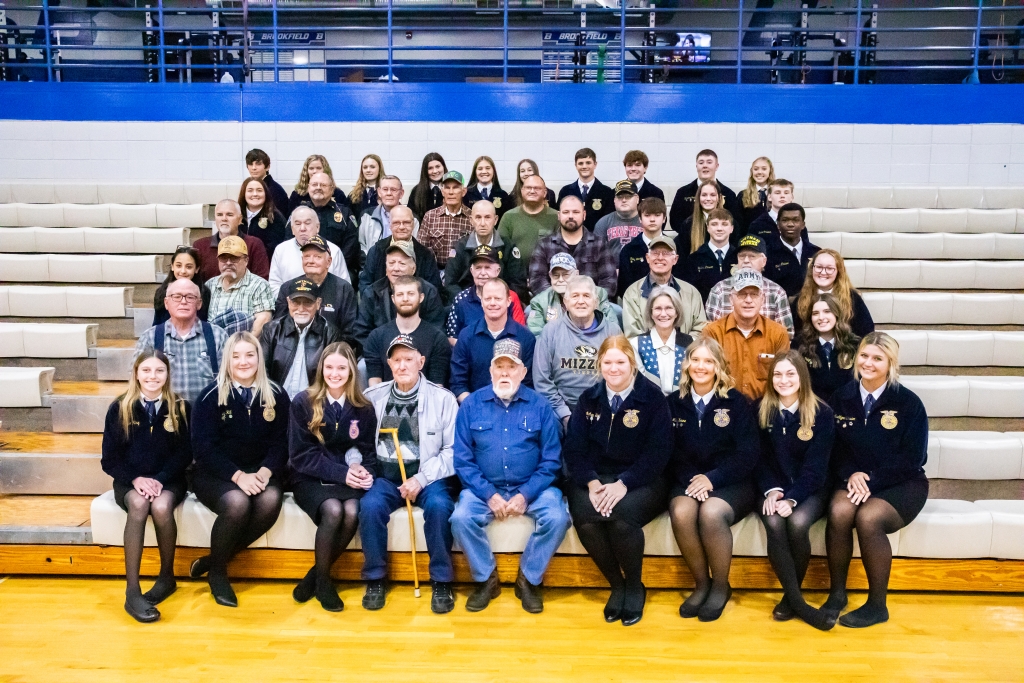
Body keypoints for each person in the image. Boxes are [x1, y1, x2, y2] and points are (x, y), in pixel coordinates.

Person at [451, 339, 569, 613]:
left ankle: (528, 580)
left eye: (511, 367)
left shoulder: (540, 406)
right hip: (485, 489)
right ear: (490, 371)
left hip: (534, 489)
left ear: (523, 372)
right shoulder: (471, 406)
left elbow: (551, 460)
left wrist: (525, 494)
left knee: (557, 517)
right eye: (499, 367)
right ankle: (486, 579)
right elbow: (463, 460)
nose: (505, 373)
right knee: (460, 518)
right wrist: (489, 494)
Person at [563, 336, 672, 626]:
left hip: (641, 478)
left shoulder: (652, 398)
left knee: (622, 518)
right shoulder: (589, 398)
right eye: (607, 362)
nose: (614, 368)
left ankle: (635, 586)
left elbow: (659, 452)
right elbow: (574, 448)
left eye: (620, 362)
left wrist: (624, 483)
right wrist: (590, 482)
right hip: (595, 477)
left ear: (632, 364)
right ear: (599, 364)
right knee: (586, 516)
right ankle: (617, 584)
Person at [825, 332, 929, 628]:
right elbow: (831, 448)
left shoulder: (909, 403)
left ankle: (877, 605)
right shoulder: (841, 398)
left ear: (891, 363)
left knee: (869, 519)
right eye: (864, 356)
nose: (868, 363)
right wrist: (851, 474)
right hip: (854, 479)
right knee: (839, 511)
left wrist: (871, 479)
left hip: (901, 483)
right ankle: (837, 594)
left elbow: (913, 459)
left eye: (877, 358)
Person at [189, 332, 290, 608]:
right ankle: (219, 575)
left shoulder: (277, 394)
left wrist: (266, 472)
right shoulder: (210, 396)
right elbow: (203, 450)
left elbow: (282, 442)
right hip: (216, 474)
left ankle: (213, 560)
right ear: (227, 360)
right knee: (237, 502)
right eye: (236, 356)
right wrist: (238, 477)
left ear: (259, 357)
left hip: (260, 472)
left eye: (249, 355)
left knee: (270, 499)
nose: (243, 362)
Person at [360, 335, 460, 614]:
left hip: (429, 479)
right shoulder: (372, 397)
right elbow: (356, 443)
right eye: (397, 360)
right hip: (386, 477)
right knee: (369, 507)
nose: (402, 365)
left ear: (421, 362)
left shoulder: (444, 399)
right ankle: (375, 578)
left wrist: (421, 479)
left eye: (408, 359)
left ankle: (441, 581)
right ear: (389, 364)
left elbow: (453, 451)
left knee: (440, 507)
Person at [667, 337, 758, 622]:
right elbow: (666, 451)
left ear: (719, 367)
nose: (701, 366)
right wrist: (693, 479)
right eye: (696, 360)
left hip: (732, 481)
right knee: (682, 512)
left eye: (709, 361)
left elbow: (748, 454)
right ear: (687, 364)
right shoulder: (672, 403)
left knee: (711, 512)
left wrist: (713, 479)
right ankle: (701, 584)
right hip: (688, 479)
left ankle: (720, 586)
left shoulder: (736, 402)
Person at [101, 350, 190, 623]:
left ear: (167, 375)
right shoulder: (120, 407)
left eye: (159, 371)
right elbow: (110, 459)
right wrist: (137, 479)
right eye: (147, 371)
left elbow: (185, 453)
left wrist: (160, 479)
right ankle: (132, 591)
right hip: (130, 480)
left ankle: (166, 578)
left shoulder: (180, 407)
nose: (153, 376)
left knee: (162, 506)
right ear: (137, 374)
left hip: (168, 479)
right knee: (139, 504)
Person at [288, 341, 377, 612]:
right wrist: (343, 474)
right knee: (333, 510)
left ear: (351, 370)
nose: (335, 373)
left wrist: (366, 473)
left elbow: (367, 452)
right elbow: (301, 456)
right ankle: (325, 583)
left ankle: (314, 576)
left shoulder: (362, 407)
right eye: (329, 367)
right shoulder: (303, 402)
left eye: (341, 367)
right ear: (321, 369)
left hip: (346, 478)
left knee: (352, 510)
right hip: (309, 478)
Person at [756, 351, 837, 630]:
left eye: (790, 373)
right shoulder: (761, 409)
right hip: (773, 488)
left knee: (798, 522)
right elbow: (759, 460)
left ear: (802, 377)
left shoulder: (822, 413)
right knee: (774, 521)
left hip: (811, 487)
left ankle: (792, 597)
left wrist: (793, 498)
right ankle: (799, 602)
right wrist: (772, 491)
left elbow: (816, 469)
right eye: (777, 374)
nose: (783, 380)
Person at [534, 275, 622, 424]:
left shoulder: (612, 331)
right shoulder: (550, 331)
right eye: (575, 296)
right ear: (565, 303)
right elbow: (542, 381)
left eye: (586, 296)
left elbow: (622, 376)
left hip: (603, 408)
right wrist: (564, 415)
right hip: (559, 410)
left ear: (596, 302)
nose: (580, 301)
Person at [134, 278, 228, 403]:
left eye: (190, 297)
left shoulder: (218, 335)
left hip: (208, 416)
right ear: (166, 303)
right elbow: (136, 380)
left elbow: (229, 380)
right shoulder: (150, 338)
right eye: (177, 296)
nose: (183, 302)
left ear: (199, 303)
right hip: (165, 416)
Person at [702, 268, 790, 400]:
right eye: (742, 294)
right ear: (731, 299)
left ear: (763, 299)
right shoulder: (713, 332)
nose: (748, 300)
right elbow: (706, 376)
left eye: (754, 294)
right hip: (724, 407)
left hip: (765, 408)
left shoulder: (778, 333)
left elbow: (784, 378)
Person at [451, 278, 535, 402]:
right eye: (488, 298)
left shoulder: (525, 338)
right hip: (475, 408)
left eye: (498, 298)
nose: (492, 303)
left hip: (514, 409)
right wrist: (474, 408)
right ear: (481, 302)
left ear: (508, 301)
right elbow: (458, 383)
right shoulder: (466, 336)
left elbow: (527, 384)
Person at [260, 278, 342, 398]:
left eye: (308, 302)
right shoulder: (271, 329)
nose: (301, 308)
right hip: (276, 400)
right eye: (296, 302)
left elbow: (332, 376)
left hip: (314, 402)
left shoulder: (330, 333)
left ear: (318, 303)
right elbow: (262, 370)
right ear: (288, 302)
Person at [363, 276, 451, 386]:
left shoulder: (437, 338)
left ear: (421, 297)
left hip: (425, 400)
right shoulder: (376, 337)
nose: (405, 299)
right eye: (400, 294)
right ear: (393, 299)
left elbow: (437, 385)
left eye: (410, 294)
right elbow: (375, 382)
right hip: (386, 399)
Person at [355, 242, 445, 347]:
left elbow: (436, 331)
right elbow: (361, 332)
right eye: (391, 263)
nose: (396, 268)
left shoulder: (428, 292)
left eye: (402, 264)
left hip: (420, 354)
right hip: (379, 353)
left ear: (413, 269)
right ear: (386, 268)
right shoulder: (372, 293)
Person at [705, 235, 795, 337]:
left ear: (764, 261)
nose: (746, 260)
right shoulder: (719, 290)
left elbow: (787, 335)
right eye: (742, 256)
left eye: (752, 256)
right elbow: (710, 334)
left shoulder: (777, 292)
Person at [272, 235, 357, 343]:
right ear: (302, 260)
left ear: (329, 262)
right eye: (307, 256)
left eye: (317, 257)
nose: (311, 261)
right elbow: (278, 327)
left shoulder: (344, 289)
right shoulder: (288, 288)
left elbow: (350, 332)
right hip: (292, 348)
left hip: (331, 350)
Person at [528, 196, 617, 296]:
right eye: (566, 212)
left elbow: (609, 281)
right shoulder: (544, 245)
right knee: (529, 311)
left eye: (575, 212)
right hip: (554, 305)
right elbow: (537, 280)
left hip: (591, 305)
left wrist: (587, 300)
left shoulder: (599, 244)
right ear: (559, 215)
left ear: (584, 215)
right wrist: (560, 300)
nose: (570, 216)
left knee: (616, 311)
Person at [620, 236, 706, 339]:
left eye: (666, 253)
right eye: (655, 253)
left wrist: (680, 348)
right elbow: (633, 335)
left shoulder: (691, 292)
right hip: (646, 353)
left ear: (675, 259)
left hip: (684, 353)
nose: (660, 257)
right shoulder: (632, 293)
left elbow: (700, 329)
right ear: (647, 258)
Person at [444, 200, 528, 303]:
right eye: (478, 217)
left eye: (487, 217)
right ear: (471, 220)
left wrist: (498, 300)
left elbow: (518, 283)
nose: (482, 223)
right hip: (467, 303)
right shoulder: (460, 247)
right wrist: (467, 302)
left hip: (500, 304)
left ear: (495, 220)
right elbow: (450, 283)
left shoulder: (508, 246)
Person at [360, 204, 442, 303]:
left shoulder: (426, 254)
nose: (402, 227)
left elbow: (434, 289)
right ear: (390, 225)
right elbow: (365, 283)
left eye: (406, 222)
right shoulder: (376, 250)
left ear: (413, 224)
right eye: (396, 223)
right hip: (381, 308)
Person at [445, 245, 527, 342]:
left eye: (487, 267)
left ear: (498, 271)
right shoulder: (461, 299)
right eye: (478, 268)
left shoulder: (511, 297)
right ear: (471, 271)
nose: (482, 273)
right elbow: (452, 337)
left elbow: (521, 335)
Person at [526, 253, 616, 337]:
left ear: (576, 274)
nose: (560, 280)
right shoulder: (540, 302)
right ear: (550, 275)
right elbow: (536, 336)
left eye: (565, 275)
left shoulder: (597, 293)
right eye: (556, 275)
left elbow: (613, 328)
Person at [269, 206, 351, 295]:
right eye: (297, 224)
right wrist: (292, 305)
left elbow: (344, 287)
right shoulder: (281, 250)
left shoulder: (333, 250)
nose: (302, 228)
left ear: (317, 227)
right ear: (292, 229)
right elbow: (274, 285)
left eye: (307, 223)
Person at [628, 286, 695, 395]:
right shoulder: (636, 344)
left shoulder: (691, 343)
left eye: (669, 308)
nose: (663, 314)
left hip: (682, 405)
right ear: (651, 313)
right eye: (658, 308)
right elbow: (638, 386)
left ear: (677, 312)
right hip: (650, 406)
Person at [794, 249, 875, 338]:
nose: (823, 272)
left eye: (829, 268)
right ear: (812, 268)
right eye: (819, 267)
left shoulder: (852, 298)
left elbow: (867, 331)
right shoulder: (801, 299)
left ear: (838, 271)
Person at [205, 236, 275, 337]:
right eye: (223, 258)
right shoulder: (209, 285)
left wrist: (242, 345)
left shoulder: (259, 285)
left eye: (234, 258)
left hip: (244, 346)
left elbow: (263, 320)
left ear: (246, 260)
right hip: (215, 345)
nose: (228, 263)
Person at [301, 172, 360, 289]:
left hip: (337, 269)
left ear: (332, 189)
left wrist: (328, 266)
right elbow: (290, 242)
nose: (318, 188)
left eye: (323, 185)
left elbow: (351, 247)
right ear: (308, 188)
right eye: (314, 184)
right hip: (304, 269)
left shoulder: (344, 214)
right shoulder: (299, 213)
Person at [799, 293, 859, 399]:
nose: (821, 317)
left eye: (827, 311)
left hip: (847, 410)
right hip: (813, 408)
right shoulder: (800, 345)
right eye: (815, 313)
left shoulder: (854, 344)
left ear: (837, 314)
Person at [193, 199, 270, 282]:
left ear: (240, 219)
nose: (224, 219)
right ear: (215, 219)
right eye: (219, 215)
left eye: (229, 215)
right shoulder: (200, 246)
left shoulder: (254, 244)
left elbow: (262, 280)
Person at [669, 149, 741, 237]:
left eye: (709, 162)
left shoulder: (729, 194)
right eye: (701, 162)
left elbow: (735, 223)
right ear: (696, 166)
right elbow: (675, 220)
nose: (705, 166)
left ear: (717, 166)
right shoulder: (683, 192)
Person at [677, 208, 738, 302]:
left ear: (732, 228)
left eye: (724, 224)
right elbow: (689, 295)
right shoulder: (694, 259)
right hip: (704, 314)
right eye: (714, 224)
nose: (719, 229)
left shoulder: (739, 257)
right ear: (708, 227)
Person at [497, 173, 559, 261]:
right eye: (528, 188)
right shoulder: (508, 217)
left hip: (547, 273)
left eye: (537, 188)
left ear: (544, 193)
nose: (532, 191)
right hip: (515, 272)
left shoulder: (556, 217)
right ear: (522, 191)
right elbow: (500, 249)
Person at [419, 170, 473, 270]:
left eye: (456, 187)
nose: (451, 192)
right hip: (436, 271)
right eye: (447, 188)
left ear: (463, 192)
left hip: (464, 272)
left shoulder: (473, 217)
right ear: (442, 192)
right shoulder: (430, 216)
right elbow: (421, 250)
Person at [617, 196, 668, 298]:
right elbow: (624, 287)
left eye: (657, 215)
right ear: (640, 219)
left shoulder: (674, 247)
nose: (652, 219)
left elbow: (680, 282)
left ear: (664, 219)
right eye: (647, 215)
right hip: (637, 304)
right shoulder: (628, 250)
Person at [358, 175, 420, 256]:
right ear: (379, 192)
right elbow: (361, 247)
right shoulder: (366, 216)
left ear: (401, 193)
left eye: (393, 190)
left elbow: (415, 248)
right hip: (373, 265)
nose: (389, 193)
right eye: (385, 189)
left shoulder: (413, 219)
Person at [767, 203, 820, 297]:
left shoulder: (816, 252)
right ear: (778, 224)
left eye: (796, 220)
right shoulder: (768, 254)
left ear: (803, 225)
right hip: (782, 308)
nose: (790, 224)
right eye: (785, 220)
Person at [556, 147, 615, 232]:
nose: (584, 166)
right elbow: (560, 218)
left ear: (595, 164)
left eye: (588, 163)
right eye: (580, 163)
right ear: (575, 165)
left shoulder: (606, 192)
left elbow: (609, 221)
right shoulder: (565, 191)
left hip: (596, 240)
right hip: (570, 237)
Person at [152, 246, 210, 326]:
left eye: (189, 267)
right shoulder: (162, 291)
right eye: (178, 266)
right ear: (172, 266)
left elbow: (204, 321)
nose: (183, 271)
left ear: (196, 269)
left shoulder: (204, 292)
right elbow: (157, 322)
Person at [593, 180, 642, 260]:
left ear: (637, 199)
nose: (624, 200)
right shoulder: (603, 223)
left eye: (628, 196)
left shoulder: (646, 221)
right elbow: (596, 253)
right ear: (614, 200)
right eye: (620, 197)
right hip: (611, 270)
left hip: (640, 270)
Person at [239, 176, 287, 258]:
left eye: (259, 190)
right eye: (250, 190)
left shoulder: (275, 218)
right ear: (244, 194)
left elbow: (275, 248)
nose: (255, 194)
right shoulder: (237, 215)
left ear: (266, 193)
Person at [675, 180, 724, 257]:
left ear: (719, 198)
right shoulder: (688, 225)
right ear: (698, 198)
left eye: (712, 195)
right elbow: (682, 257)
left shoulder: (729, 223)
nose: (708, 199)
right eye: (704, 195)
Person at [246, 148, 289, 217]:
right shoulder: (247, 186)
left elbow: (279, 219)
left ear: (267, 167)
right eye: (250, 164)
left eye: (258, 164)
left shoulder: (276, 190)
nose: (253, 168)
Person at [408, 152, 447, 222]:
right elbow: (411, 215)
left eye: (438, 166)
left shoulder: (451, 189)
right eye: (430, 168)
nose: (435, 171)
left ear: (443, 167)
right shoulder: (416, 191)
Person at [738, 156, 775, 229]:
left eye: (764, 169)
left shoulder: (777, 194)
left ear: (770, 171)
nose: (759, 172)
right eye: (756, 169)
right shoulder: (743, 195)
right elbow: (738, 223)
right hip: (750, 238)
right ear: (752, 172)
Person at [349, 153, 384, 222]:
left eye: (372, 167)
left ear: (379, 169)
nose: (368, 170)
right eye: (365, 167)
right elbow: (349, 217)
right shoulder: (354, 194)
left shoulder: (386, 192)